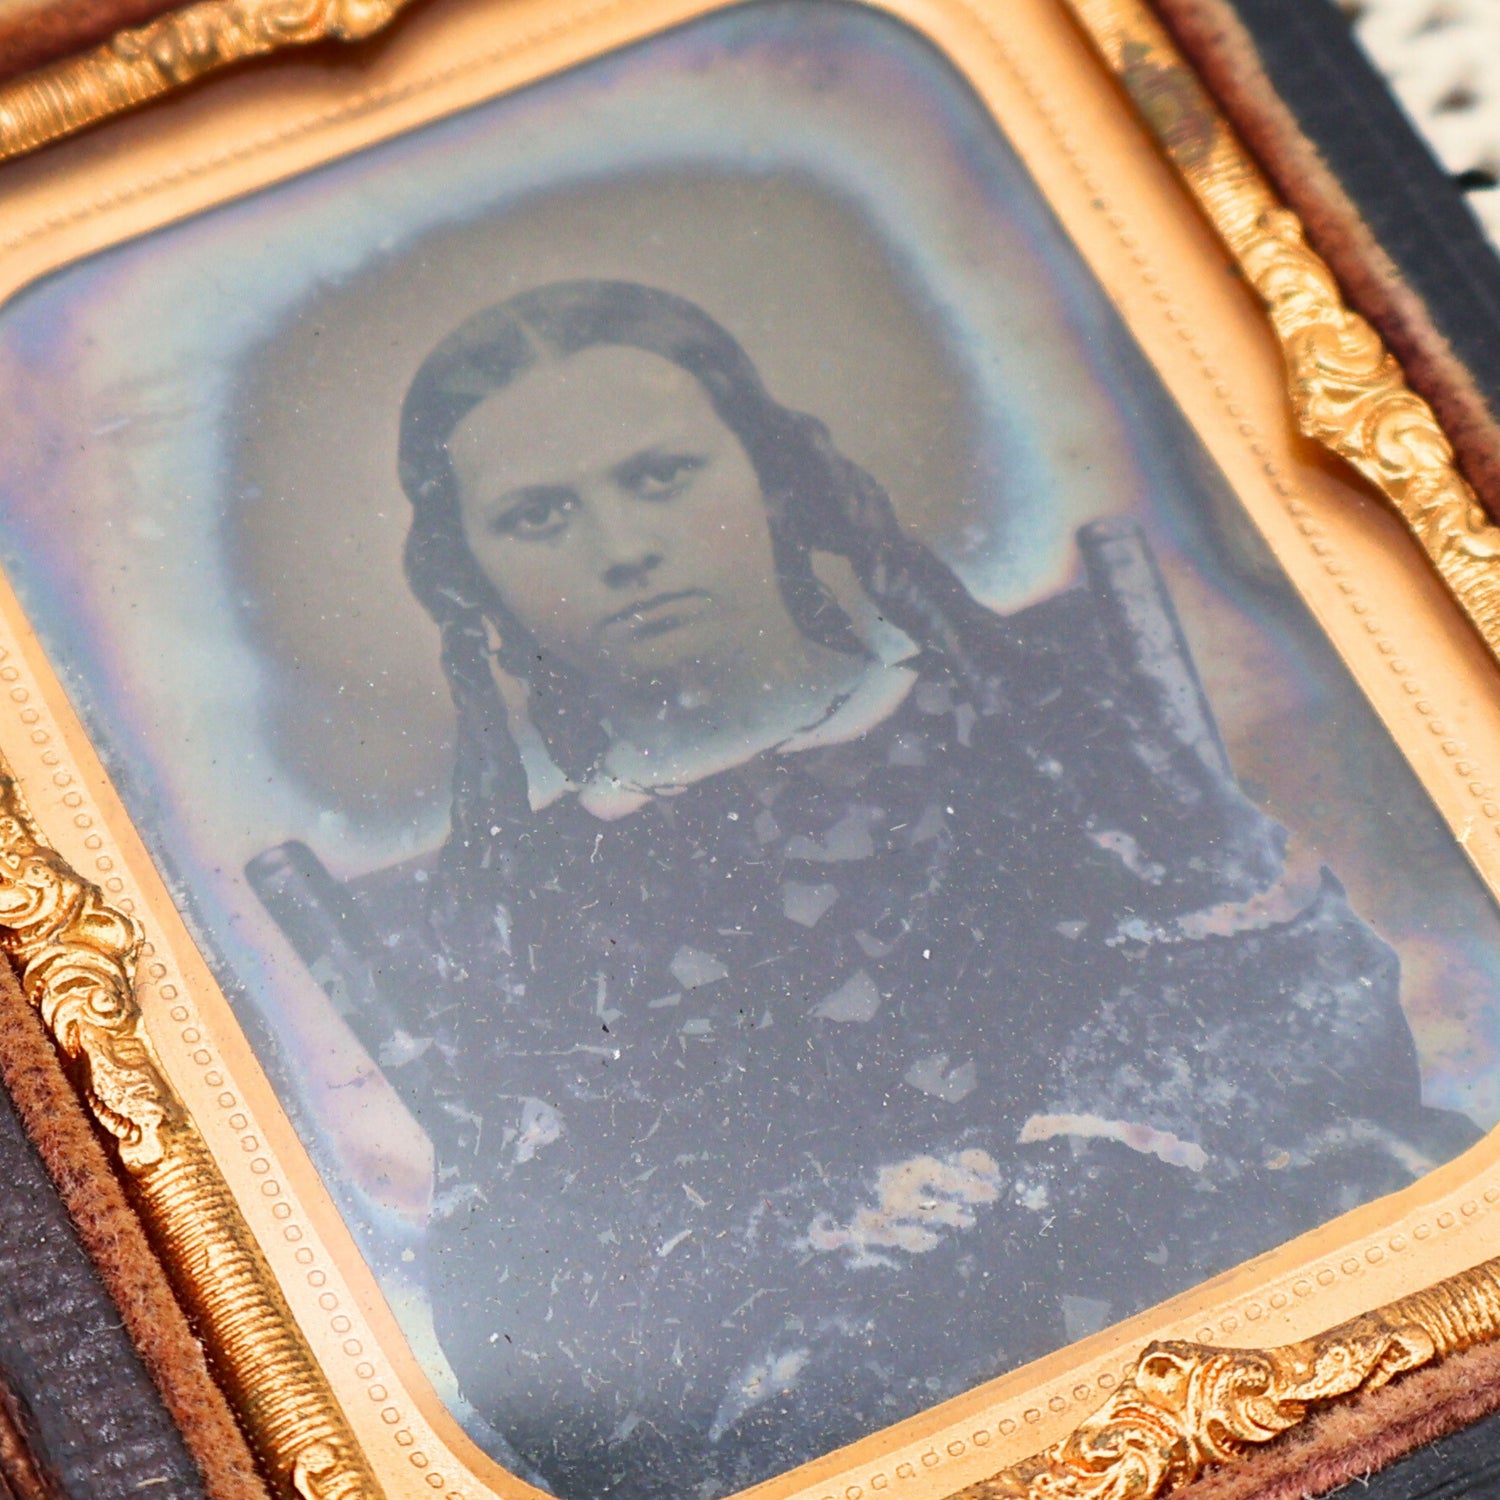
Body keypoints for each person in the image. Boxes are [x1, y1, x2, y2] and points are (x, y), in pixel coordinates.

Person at [249, 280, 1478, 1500]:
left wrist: (1077, 1149)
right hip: (856, 1404)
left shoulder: (1031, 712)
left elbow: (1300, 992)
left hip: (1216, 1289)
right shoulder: (513, 903)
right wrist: (795, 1233)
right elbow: (519, 1293)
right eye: (538, 516)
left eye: (662, 477)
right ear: (473, 582)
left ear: (772, 478)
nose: (622, 548)